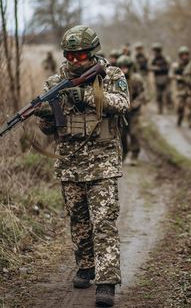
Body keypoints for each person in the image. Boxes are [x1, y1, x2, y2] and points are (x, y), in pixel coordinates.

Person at [34, 25, 130, 307]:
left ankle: (107, 281)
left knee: (103, 222)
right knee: (78, 220)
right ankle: (86, 265)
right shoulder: (55, 81)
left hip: (103, 163)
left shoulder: (111, 75)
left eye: (81, 55)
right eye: (70, 56)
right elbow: (47, 129)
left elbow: (122, 104)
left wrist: (86, 96)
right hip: (70, 162)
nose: (75, 61)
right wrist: (49, 112)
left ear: (93, 52)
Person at [117, 55, 146, 165]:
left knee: (134, 132)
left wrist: (134, 104)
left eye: (126, 67)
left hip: (134, 112)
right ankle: (123, 153)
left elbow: (142, 93)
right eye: (122, 67)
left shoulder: (136, 79)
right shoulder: (116, 80)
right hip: (121, 112)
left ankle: (135, 154)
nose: (124, 69)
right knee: (122, 134)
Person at [169, 46, 191, 126]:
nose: (185, 57)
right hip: (180, 88)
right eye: (183, 55)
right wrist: (177, 77)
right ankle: (180, 118)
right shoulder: (176, 65)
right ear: (180, 56)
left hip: (190, 87)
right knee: (180, 106)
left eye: (186, 55)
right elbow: (171, 74)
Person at [148, 43, 172, 114]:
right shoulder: (153, 59)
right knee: (159, 95)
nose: (155, 53)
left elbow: (169, 67)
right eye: (155, 51)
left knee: (168, 94)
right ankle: (160, 109)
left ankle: (169, 107)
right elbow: (149, 67)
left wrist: (168, 75)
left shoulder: (165, 58)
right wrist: (157, 68)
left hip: (165, 78)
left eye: (157, 51)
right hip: (157, 79)